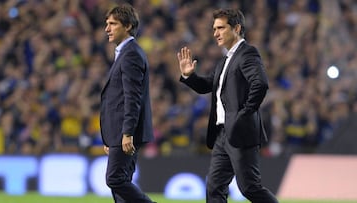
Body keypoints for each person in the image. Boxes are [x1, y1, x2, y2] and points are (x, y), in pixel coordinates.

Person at [177, 8, 279, 203]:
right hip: (223, 135)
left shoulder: (247, 53)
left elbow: (261, 83)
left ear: (237, 28)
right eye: (214, 28)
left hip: (240, 132)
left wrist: (244, 114)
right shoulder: (226, 59)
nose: (215, 33)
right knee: (214, 188)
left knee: (250, 188)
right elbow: (209, 85)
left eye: (221, 28)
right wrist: (189, 76)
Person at [100, 4, 155, 203]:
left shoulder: (131, 54)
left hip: (125, 132)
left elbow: (132, 98)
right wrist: (112, 136)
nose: (107, 28)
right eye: (107, 24)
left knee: (115, 179)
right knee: (121, 184)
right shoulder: (125, 53)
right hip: (118, 132)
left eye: (113, 24)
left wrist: (127, 134)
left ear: (128, 26)